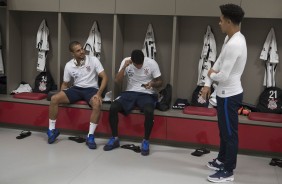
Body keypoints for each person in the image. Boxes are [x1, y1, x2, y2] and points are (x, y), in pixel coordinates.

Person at [201, 4, 246, 183]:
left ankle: (228, 171)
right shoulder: (230, 39)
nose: (218, 23)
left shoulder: (236, 43)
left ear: (228, 21)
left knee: (230, 134)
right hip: (223, 93)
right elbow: (219, 61)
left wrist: (211, 75)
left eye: (220, 20)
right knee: (223, 131)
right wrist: (207, 82)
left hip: (230, 95)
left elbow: (224, 75)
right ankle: (221, 159)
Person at [47, 41, 108, 149]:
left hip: (91, 89)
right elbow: (65, 83)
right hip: (76, 89)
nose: (82, 52)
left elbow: (104, 77)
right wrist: (62, 94)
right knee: (54, 98)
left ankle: (90, 136)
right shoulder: (69, 65)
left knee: (97, 103)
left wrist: (99, 94)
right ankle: (51, 130)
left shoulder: (93, 60)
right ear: (72, 53)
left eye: (82, 49)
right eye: (78, 50)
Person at [103, 49, 163, 156]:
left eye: (141, 64)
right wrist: (124, 67)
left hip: (146, 93)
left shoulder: (152, 63)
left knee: (149, 110)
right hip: (130, 93)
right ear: (132, 61)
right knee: (113, 107)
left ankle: (146, 141)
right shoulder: (126, 62)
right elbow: (117, 80)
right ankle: (115, 138)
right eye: (137, 65)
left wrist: (152, 84)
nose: (139, 67)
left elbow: (160, 82)